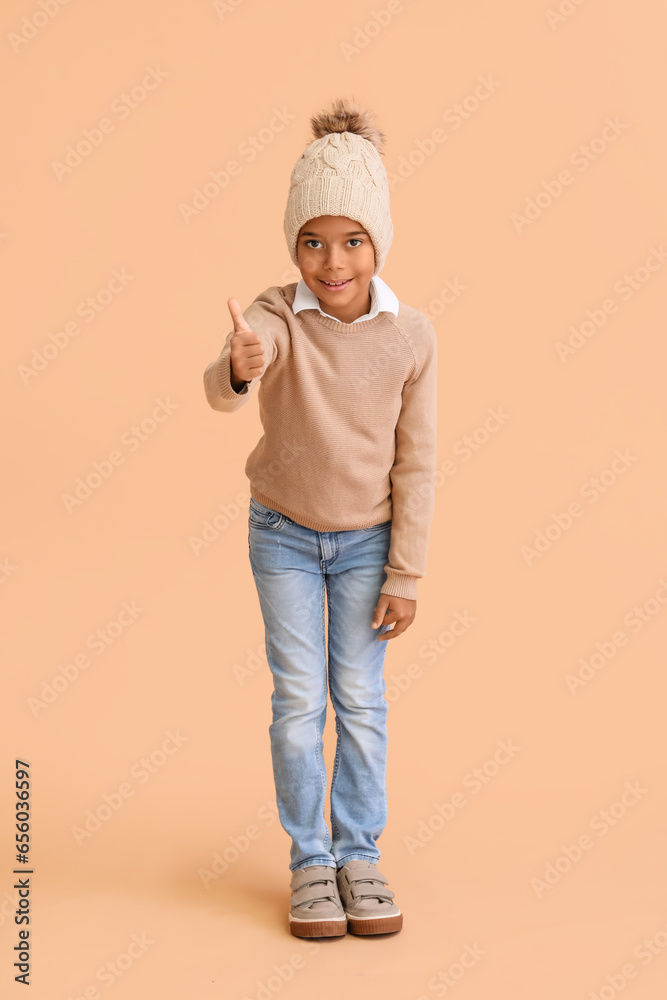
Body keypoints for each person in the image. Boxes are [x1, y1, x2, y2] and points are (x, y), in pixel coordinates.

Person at [203, 96, 438, 938]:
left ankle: (359, 857)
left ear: (377, 243)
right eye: (312, 241)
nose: (331, 262)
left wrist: (404, 573)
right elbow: (223, 387)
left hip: (370, 543)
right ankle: (310, 863)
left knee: (361, 701)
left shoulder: (410, 336)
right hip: (285, 538)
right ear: (292, 246)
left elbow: (417, 460)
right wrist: (238, 366)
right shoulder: (276, 315)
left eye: (351, 240)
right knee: (300, 699)